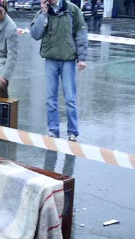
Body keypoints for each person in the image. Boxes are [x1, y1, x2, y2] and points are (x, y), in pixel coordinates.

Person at [30, 0, 88, 142]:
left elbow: (81, 33)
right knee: (51, 99)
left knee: (70, 99)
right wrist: (43, 14)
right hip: (50, 59)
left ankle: (73, 131)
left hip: (68, 59)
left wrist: (81, 58)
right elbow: (35, 34)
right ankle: (53, 130)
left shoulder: (72, 10)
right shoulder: (43, 11)